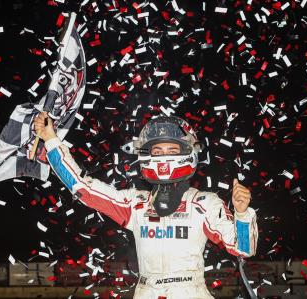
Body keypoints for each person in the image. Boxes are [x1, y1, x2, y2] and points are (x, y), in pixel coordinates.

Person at [34, 113, 258, 299]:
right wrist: (51, 140)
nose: (164, 157)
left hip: (190, 291)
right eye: (157, 152)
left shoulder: (203, 202)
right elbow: (83, 187)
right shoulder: (136, 203)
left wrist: (242, 213)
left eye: (172, 151)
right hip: (145, 291)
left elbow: (243, 249)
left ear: (189, 151)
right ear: (144, 154)